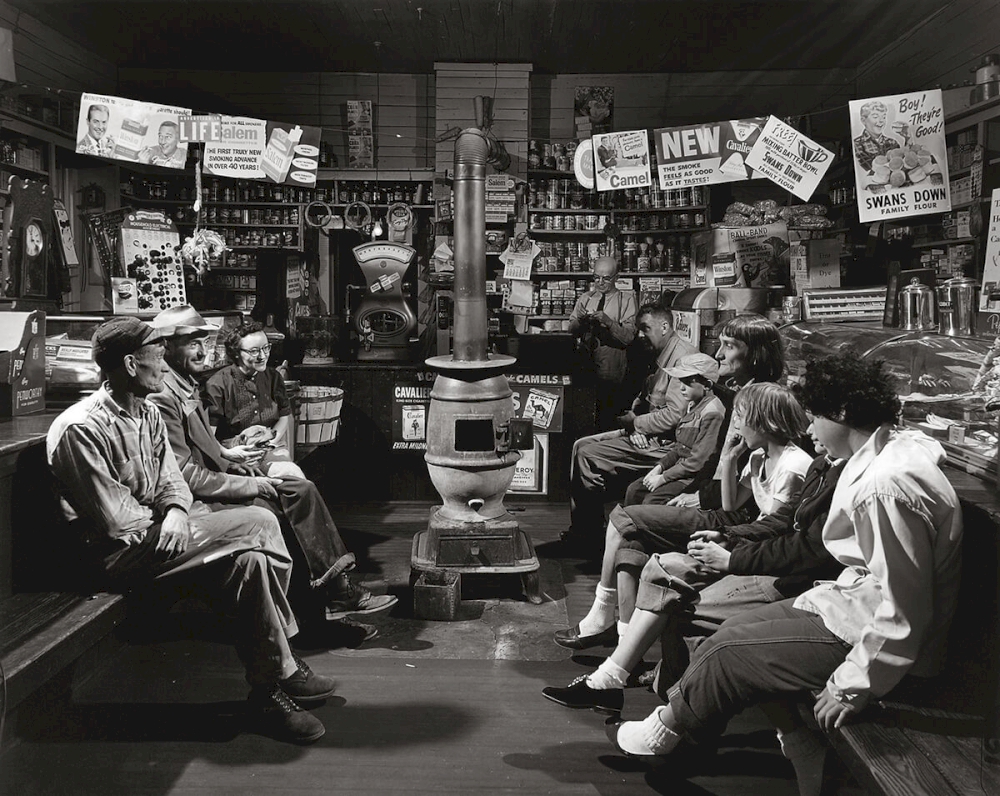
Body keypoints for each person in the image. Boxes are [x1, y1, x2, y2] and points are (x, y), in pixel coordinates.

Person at [606, 353, 963, 796]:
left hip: (882, 638)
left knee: (731, 652)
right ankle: (795, 745)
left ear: (846, 414)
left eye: (815, 417)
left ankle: (666, 730)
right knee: (730, 628)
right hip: (854, 603)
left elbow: (904, 609)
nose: (809, 429)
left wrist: (853, 686)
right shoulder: (886, 453)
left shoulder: (884, 486)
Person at [46, 316, 337, 744]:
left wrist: (180, 512)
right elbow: (117, 522)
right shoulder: (81, 428)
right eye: (158, 360)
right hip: (117, 554)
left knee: (251, 562)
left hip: (163, 532)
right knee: (259, 521)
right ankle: (288, 660)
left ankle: (268, 689)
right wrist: (174, 516)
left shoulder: (144, 413)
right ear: (130, 365)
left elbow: (172, 481)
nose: (164, 370)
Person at [542, 441, 844, 715]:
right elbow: (778, 524)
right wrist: (728, 535)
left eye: (817, 416)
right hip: (751, 546)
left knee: (664, 573)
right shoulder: (820, 466)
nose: (808, 428)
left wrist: (731, 552)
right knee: (646, 550)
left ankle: (643, 695)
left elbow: (800, 546)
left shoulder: (807, 467)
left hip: (788, 576)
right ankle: (625, 668)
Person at [148, 305, 397, 630]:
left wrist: (234, 459)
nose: (200, 349)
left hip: (222, 476)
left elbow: (208, 447)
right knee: (283, 511)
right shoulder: (165, 394)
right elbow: (188, 475)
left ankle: (332, 596)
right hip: (195, 502)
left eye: (202, 340)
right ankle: (321, 613)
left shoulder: (185, 383)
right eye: (190, 342)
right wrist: (251, 483)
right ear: (165, 347)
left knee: (300, 489)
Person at [555, 380, 809, 651]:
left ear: (763, 422)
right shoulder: (758, 457)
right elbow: (731, 502)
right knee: (631, 543)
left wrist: (728, 542)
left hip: (755, 546)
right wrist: (731, 459)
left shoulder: (792, 465)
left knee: (623, 517)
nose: (736, 425)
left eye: (742, 418)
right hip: (741, 529)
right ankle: (622, 639)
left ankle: (603, 613)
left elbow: (773, 527)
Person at [563, 303, 696, 550]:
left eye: (645, 329)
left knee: (587, 455)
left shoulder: (682, 358)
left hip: (666, 446)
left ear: (665, 326)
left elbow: (675, 416)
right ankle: (585, 529)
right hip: (646, 435)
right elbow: (647, 397)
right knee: (581, 444)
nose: (641, 335)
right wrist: (637, 424)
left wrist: (637, 424)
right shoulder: (661, 352)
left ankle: (588, 536)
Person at [622, 353, 725, 507]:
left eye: (688, 382)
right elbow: (680, 448)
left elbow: (698, 462)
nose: (682, 388)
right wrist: (659, 467)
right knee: (634, 490)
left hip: (694, 478)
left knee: (652, 500)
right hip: (679, 470)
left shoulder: (712, 412)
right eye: (681, 381)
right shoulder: (693, 404)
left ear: (707, 385)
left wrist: (663, 478)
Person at [205, 320, 302, 479]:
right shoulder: (218, 384)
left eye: (266, 348)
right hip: (232, 455)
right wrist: (229, 454)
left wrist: (266, 445)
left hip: (270, 448)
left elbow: (284, 417)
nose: (263, 356)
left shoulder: (273, 377)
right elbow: (208, 435)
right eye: (254, 351)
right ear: (237, 353)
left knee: (294, 479)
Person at [567, 255, 638, 431]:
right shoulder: (585, 298)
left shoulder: (627, 299)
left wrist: (609, 322)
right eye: (596, 277)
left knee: (608, 415)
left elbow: (628, 337)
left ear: (617, 278)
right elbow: (571, 329)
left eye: (606, 278)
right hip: (585, 363)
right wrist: (581, 321)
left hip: (612, 365)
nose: (600, 282)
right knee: (583, 415)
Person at [853, 100, 903, 173]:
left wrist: (907, 139)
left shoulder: (892, 142)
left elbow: (901, 164)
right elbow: (869, 169)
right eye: (875, 117)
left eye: (884, 117)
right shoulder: (857, 144)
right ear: (863, 120)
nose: (881, 121)